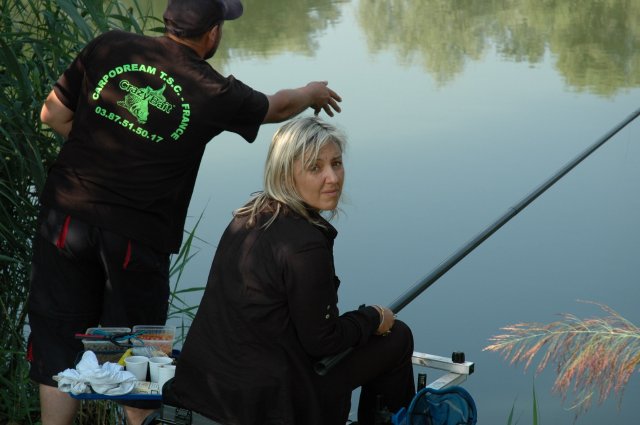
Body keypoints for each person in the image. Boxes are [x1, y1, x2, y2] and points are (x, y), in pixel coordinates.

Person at [28, 0, 342, 423]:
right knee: (138, 347)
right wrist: (312, 93)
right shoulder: (211, 89)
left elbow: (53, 114)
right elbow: (278, 107)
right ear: (212, 33)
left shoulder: (109, 46)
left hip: (63, 218)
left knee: (57, 339)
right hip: (134, 235)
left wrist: (101, 154)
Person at [169, 116, 416, 425]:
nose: (333, 178)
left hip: (205, 387)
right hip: (267, 403)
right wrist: (374, 317)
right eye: (315, 168)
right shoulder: (305, 246)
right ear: (286, 174)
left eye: (336, 163)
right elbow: (323, 342)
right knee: (397, 338)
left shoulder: (249, 214)